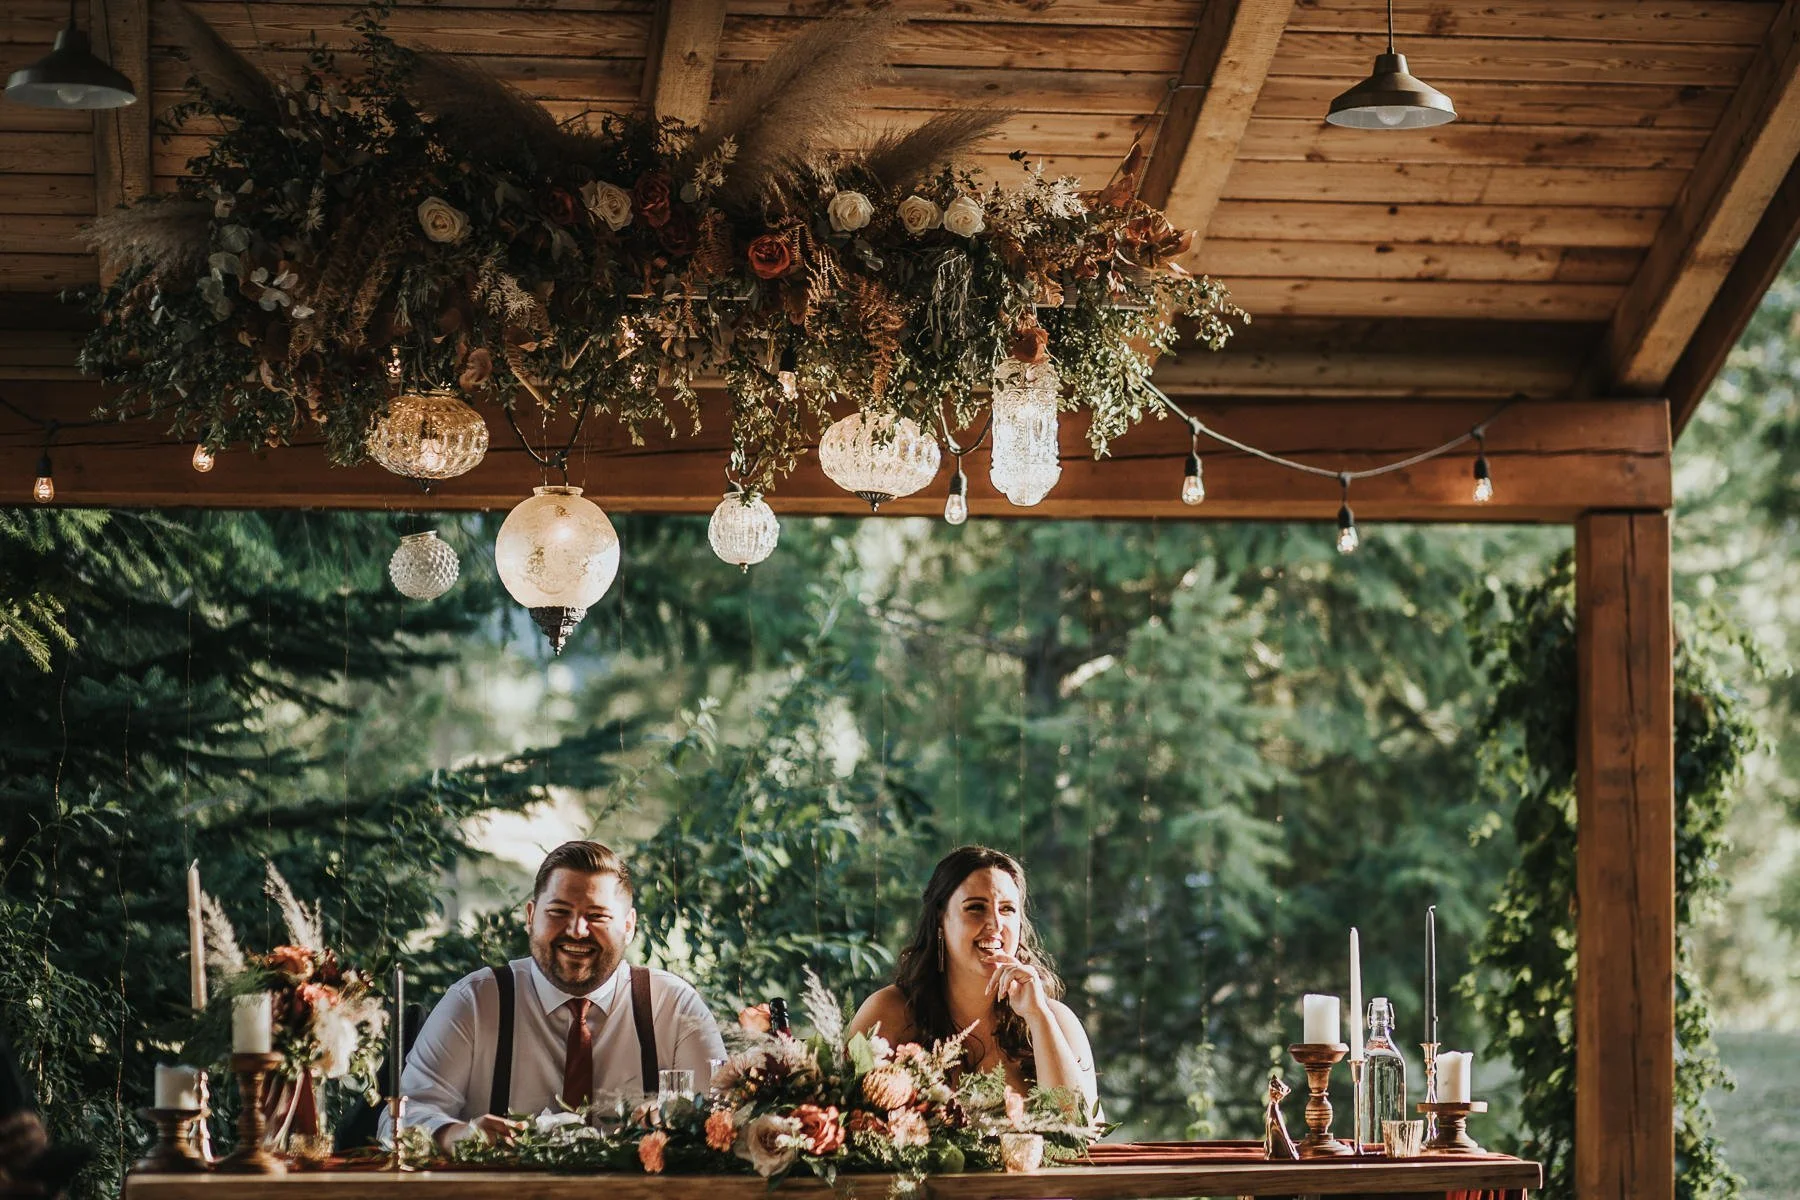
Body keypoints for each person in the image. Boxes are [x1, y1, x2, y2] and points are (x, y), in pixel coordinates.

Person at [383, 841, 726, 1151]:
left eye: (597, 916)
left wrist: (682, 1122)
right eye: (559, 912)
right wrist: (456, 1134)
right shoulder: (475, 1001)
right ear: (531, 917)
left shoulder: (675, 1006)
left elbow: (724, 1124)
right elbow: (397, 1123)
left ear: (629, 926)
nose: (577, 930)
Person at [848, 846, 1097, 1108]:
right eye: (976, 907)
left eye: (1007, 909)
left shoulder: (1055, 1020)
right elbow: (847, 1125)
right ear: (940, 920)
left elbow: (1083, 1134)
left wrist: (1037, 1016)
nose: (996, 924)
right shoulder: (888, 1012)